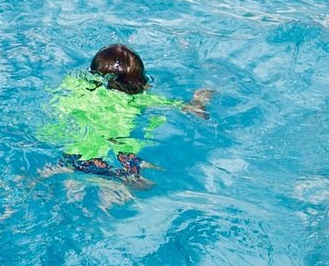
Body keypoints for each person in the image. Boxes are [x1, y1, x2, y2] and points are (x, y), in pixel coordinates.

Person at [38, 44, 211, 181]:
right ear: (138, 83)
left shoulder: (75, 84)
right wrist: (198, 101)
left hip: (72, 153)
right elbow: (187, 108)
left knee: (57, 172)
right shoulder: (136, 99)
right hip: (116, 158)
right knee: (136, 179)